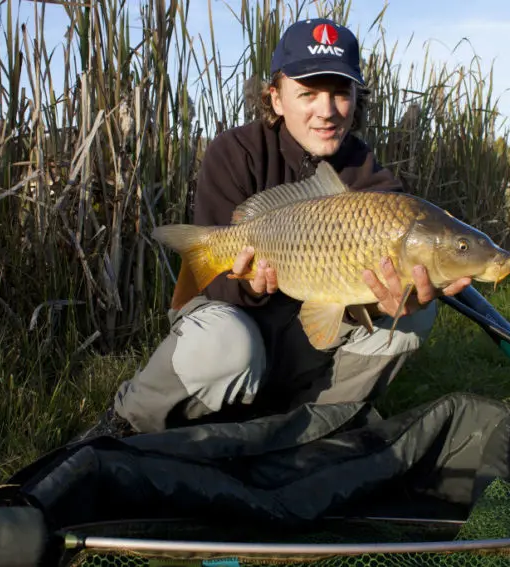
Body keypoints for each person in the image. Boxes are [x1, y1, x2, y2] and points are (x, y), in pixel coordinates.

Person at [75, 18, 471, 441]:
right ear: (276, 98)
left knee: (417, 312)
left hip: (306, 337)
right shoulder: (234, 152)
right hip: (237, 319)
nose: (327, 110)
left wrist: (388, 303)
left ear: (357, 99)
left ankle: (318, 426)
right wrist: (250, 286)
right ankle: (126, 422)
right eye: (308, 93)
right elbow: (208, 291)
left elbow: (361, 298)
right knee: (226, 342)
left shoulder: (369, 177)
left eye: (340, 93)